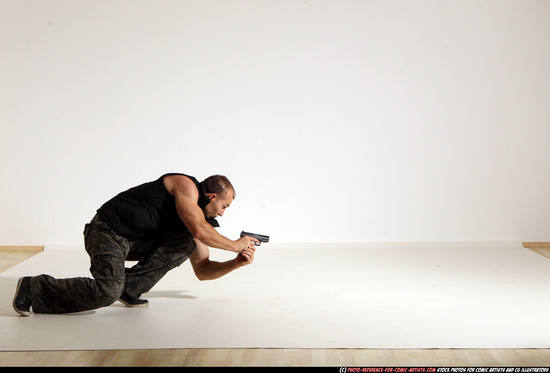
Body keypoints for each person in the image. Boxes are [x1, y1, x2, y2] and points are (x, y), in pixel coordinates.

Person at [13, 173, 259, 315]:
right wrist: (234, 244)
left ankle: (129, 288)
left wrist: (236, 262)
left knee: (185, 242)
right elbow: (198, 228)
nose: (223, 213)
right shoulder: (186, 185)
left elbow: (203, 270)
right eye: (224, 206)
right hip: (106, 232)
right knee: (106, 292)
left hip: (133, 242)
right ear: (213, 196)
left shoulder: (199, 222)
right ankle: (33, 287)